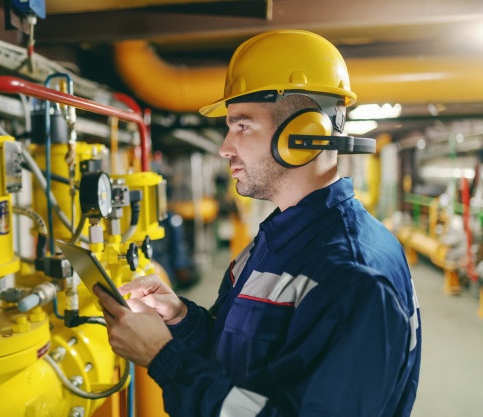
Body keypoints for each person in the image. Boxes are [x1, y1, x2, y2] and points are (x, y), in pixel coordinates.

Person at [93, 29, 421, 417]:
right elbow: (244, 355)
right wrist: (182, 318)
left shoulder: (353, 277)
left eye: (242, 125)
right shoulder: (278, 237)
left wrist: (163, 358)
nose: (224, 147)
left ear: (302, 135)